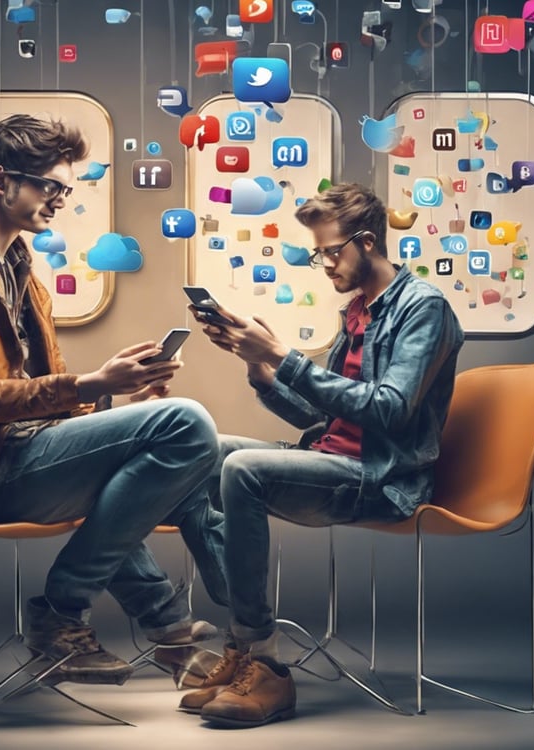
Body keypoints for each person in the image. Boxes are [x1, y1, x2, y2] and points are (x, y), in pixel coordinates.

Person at [0, 114, 227, 687]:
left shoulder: (22, 270)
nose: (61, 201)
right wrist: (94, 385)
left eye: (67, 189)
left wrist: (123, 393)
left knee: (194, 445)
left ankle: (169, 630)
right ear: (1, 180)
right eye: (51, 187)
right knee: (186, 424)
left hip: (29, 454)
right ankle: (64, 610)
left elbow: (50, 409)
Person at [180, 182, 465, 728]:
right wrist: (262, 372)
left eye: (331, 251)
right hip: (338, 464)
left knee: (241, 468)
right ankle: (242, 643)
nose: (324, 264)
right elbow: (325, 420)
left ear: (367, 241)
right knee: (201, 450)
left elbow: (389, 411)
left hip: (381, 481)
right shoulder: (358, 311)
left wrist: (286, 358)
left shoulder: (423, 308)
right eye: (319, 253)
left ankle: (262, 658)